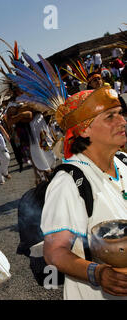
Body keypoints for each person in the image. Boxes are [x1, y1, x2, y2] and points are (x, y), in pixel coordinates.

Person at [42, 85, 127, 299]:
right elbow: (54, 253)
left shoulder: (124, 162)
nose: (123, 121)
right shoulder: (69, 182)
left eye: (121, 114)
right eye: (110, 117)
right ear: (84, 129)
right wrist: (98, 274)